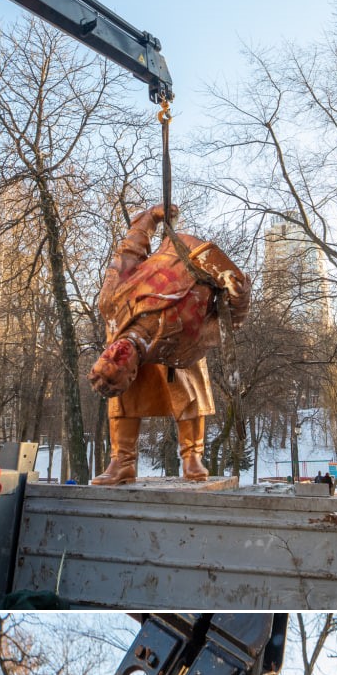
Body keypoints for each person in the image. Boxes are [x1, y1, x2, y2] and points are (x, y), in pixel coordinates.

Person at [93, 203, 215, 484]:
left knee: (187, 384)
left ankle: (192, 456)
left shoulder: (111, 298)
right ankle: (122, 461)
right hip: (155, 337)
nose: (115, 354)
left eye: (107, 356)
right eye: (116, 362)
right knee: (122, 394)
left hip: (175, 326)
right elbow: (128, 253)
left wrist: (150, 218)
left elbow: (129, 250)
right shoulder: (127, 365)